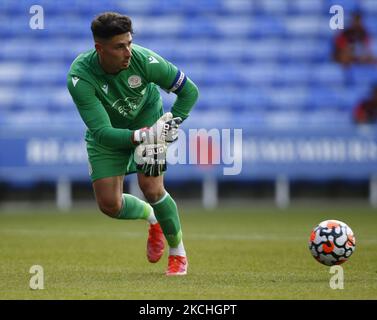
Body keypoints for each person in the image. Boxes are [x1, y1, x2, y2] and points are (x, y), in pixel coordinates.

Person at [67, 12, 199, 276]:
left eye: (129, 42)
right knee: (109, 205)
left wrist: (173, 122)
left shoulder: (144, 60)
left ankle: (178, 253)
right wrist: (142, 135)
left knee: (151, 187)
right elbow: (103, 132)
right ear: (99, 49)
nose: (128, 51)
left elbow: (189, 92)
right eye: (119, 46)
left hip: (149, 120)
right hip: (111, 136)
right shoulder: (80, 77)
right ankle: (153, 218)